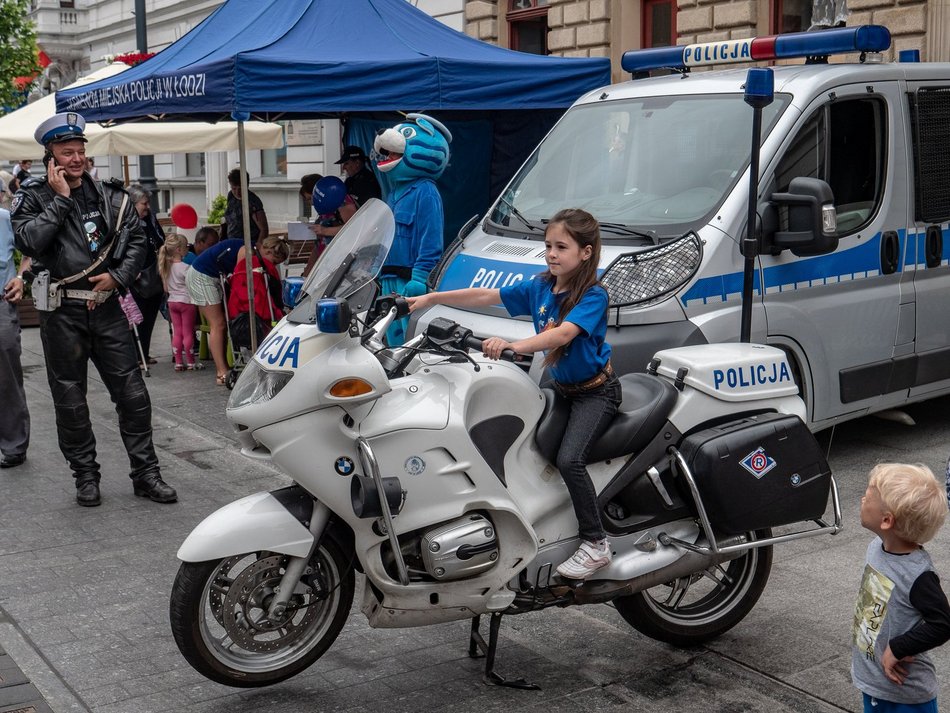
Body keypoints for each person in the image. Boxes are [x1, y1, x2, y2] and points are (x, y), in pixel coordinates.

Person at [409, 208, 618, 579]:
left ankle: (596, 542)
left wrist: (513, 344)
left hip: (595, 394)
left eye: (561, 247)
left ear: (585, 252)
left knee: (570, 459)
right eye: (548, 246)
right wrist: (432, 298)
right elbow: (485, 295)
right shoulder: (541, 286)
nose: (552, 254)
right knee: (528, 448)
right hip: (561, 388)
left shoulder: (593, 295)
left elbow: (562, 335)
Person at [11, 112, 176, 506]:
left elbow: (138, 241)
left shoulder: (109, 193)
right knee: (70, 400)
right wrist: (61, 202)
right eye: (66, 152)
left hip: (108, 307)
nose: (75, 159)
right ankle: (85, 476)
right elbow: (31, 242)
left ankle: (146, 473)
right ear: (49, 155)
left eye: (80, 151)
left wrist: (119, 277)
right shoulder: (33, 196)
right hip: (62, 313)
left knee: (133, 395)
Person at [852, 463, 950, 712]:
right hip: (876, 681)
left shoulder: (918, 574)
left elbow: (943, 623)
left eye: (869, 496)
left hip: (906, 693)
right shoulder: (877, 546)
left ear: (887, 520)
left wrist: (898, 647)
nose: (863, 497)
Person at [374, 113, 452, 345]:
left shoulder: (426, 190)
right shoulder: (394, 192)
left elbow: (431, 239)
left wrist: (419, 277)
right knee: (390, 337)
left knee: (410, 340)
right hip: (388, 277)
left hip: (408, 281)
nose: (388, 155)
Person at [185, 237, 244, 385]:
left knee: (220, 324)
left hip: (205, 275)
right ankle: (221, 372)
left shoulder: (243, 246)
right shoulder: (245, 249)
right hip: (202, 277)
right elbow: (240, 274)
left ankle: (223, 367)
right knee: (218, 324)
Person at [0, 207, 30, 469]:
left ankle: (14, 445)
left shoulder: (5, 219)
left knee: (6, 376)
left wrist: (21, 277)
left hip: (1, 305)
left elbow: (33, 249)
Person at [227, 235, 289, 346]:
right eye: (275, 263)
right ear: (269, 253)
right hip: (262, 312)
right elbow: (277, 296)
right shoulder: (267, 267)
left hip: (236, 311)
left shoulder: (244, 262)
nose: (275, 266)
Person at [127, 184, 165, 367]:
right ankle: (135, 355)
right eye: (144, 203)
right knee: (137, 317)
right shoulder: (125, 222)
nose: (148, 207)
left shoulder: (150, 219)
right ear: (133, 204)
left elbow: (160, 239)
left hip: (153, 274)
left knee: (149, 317)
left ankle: (144, 353)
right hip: (135, 277)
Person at [302, 176, 356, 277]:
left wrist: (325, 230)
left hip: (340, 260)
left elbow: (353, 227)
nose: (312, 203)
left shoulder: (340, 199)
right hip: (324, 260)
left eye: (310, 198)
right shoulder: (324, 207)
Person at [158, 233, 197, 372]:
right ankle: (191, 362)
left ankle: (179, 362)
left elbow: (165, 288)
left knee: (177, 332)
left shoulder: (165, 268)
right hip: (186, 302)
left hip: (172, 302)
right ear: (179, 250)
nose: (188, 248)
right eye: (186, 246)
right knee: (188, 332)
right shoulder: (186, 268)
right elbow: (192, 284)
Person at [223, 169, 267, 243]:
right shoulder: (231, 196)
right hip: (231, 241)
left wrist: (258, 246)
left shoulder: (253, 201)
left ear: (247, 185)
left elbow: (264, 229)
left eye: (241, 188)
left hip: (248, 244)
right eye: (234, 188)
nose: (237, 192)